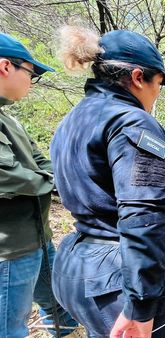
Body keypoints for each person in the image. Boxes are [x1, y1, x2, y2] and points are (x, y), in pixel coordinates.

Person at [50, 27, 165, 338]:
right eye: (159, 83)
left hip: (83, 269)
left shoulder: (71, 123)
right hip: (125, 276)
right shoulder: (130, 122)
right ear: (137, 77)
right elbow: (145, 214)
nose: (158, 92)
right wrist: (140, 304)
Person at [0, 32, 82, 338]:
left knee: (63, 308)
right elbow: (5, 174)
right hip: (10, 248)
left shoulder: (10, 120)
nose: (31, 83)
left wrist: (47, 179)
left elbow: (39, 161)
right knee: (9, 330)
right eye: (30, 74)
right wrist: (47, 183)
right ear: (6, 67)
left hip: (38, 239)